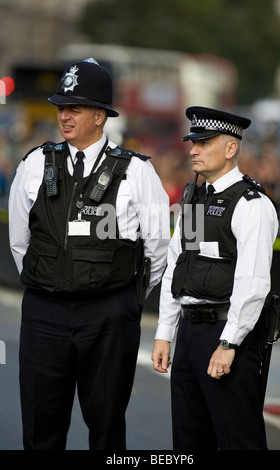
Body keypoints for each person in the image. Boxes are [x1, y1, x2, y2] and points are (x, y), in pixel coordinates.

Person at [9, 58, 170, 450]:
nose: (64, 116)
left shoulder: (136, 172)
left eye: (74, 108)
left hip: (108, 316)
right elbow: (20, 242)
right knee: (40, 427)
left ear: (100, 116)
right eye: (61, 107)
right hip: (44, 314)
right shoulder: (34, 164)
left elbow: (158, 250)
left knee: (106, 427)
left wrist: (121, 301)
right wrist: (53, 280)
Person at [151, 106, 279, 450]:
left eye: (204, 142)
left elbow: (252, 284)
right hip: (191, 335)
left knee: (239, 439)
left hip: (225, 336)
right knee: (189, 441)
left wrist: (229, 343)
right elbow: (177, 266)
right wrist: (165, 332)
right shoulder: (196, 199)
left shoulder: (251, 204)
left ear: (230, 148)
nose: (193, 149)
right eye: (193, 141)